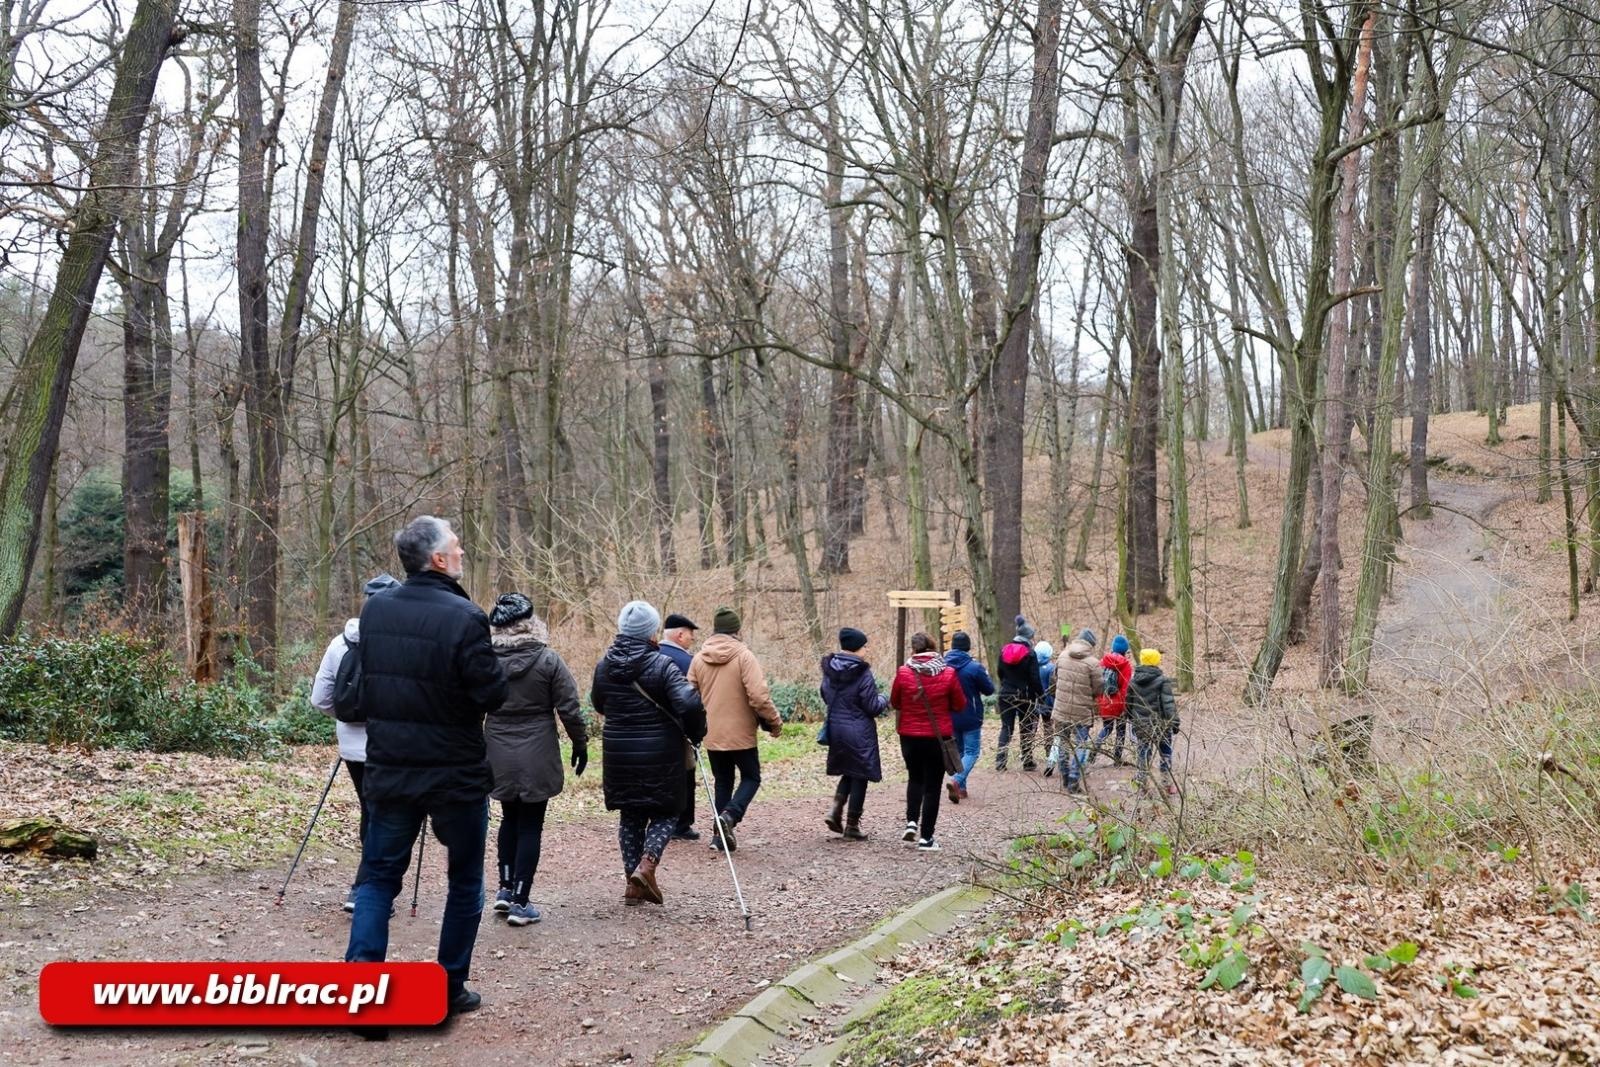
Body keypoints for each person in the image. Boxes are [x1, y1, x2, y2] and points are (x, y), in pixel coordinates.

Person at [345, 516, 508, 1017]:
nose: (463, 554)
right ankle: (447, 987)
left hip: (391, 769)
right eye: (457, 547)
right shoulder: (465, 617)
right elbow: (493, 695)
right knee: (464, 879)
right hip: (454, 773)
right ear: (438, 559)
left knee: (376, 880)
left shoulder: (375, 611)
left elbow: (367, 688)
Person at [591, 601, 707, 905]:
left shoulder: (604, 666)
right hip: (660, 754)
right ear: (651, 632)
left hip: (618, 755)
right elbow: (690, 704)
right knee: (668, 811)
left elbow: (599, 704)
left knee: (630, 815)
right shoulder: (662, 665)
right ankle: (647, 865)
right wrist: (696, 733)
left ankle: (634, 886)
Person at [484, 592, 588, 928]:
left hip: (497, 746)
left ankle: (503, 887)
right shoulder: (547, 660)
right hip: (537, 749)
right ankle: (520, 900)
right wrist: (580, 742)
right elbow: (569, 707)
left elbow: (469, 704)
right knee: (531, 824)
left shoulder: (484, 660)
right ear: (531, 623)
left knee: (508, 818)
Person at [310, 572, 402, 913]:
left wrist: (347, 717)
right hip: (392, 744)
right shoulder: (401, 644)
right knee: (384, 815)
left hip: (352, 748)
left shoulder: (341, 642)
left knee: (372, 811)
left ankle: (368, 886)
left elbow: (319, 698)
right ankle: (367, 889)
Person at [688, 607, 783, 852]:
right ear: (737, 630)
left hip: (712, 733)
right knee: (751, 777)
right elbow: (759, 696)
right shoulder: (744, 656)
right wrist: (774, 722)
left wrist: (694, 726)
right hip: (741, 734)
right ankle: (730, 816)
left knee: (723, 781)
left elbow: (688, 696)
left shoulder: (698, 658)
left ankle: (719, 839)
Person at [890, 632, 963, 851]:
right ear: (933, 648)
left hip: (909, 737)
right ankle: (926, 838)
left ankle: (911, 822)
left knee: (915, 779)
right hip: (937, 738)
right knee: (932, 787)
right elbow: (959, 704)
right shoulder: (948, 673)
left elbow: (895, 702)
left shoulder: (903, 672)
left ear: (913, 650)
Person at [821, 627, 889, 839]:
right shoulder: (863, 673)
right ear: (857, 647)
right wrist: (885, 699)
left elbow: (824, 694)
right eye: (865, 646)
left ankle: (835, 808)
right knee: (860, 775)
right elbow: (872, 706)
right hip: (859, 730)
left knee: (849, 770)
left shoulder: (830, 669)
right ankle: (852, 825)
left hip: (836, 728)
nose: (867, 649)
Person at [658, 613, 703, 842]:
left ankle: (659, 821)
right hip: (680, 729)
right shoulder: (688, 661)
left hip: (653, 730)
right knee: (686, 775)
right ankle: (682, 824)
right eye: (691, 634)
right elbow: (693, 701)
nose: (693, 638)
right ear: (680, 634)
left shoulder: (650, 655)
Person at [942, 631, 994, 802]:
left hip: (949, 716)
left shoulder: (942, 666)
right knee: (972, 752)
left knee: (960, 752)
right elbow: (989, 690)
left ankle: (961, 790)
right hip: (970, 716)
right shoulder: (974, 667)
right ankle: (957, 781)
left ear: (952, 647)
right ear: (968, 647)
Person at [1051, 629, 1102, 795]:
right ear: (1090, 645)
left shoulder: (1062, 656)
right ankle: (1074, 779)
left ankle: (1065, 776)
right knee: (1081, 743)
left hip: (1062, 709)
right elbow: (1099, 688)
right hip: (1082, 710)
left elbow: (1055, 679)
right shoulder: (1093, 663)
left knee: (1063, 742)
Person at [1126, 648, 1180, 796]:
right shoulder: (1163, 681)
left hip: (1141, 725)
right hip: (1161, 725)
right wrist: (1174, 722)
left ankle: (1142, 782)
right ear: (1156, 661)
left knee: (1143, 753)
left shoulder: (1133, 681)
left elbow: (1128, 705)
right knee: (1166, 753)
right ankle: (1167, 784)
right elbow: (1169, 705)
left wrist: (1132, 719)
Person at [994, 615, 1044, 771]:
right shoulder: (1030, 654)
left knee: (1006, 728)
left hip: (1005, 694)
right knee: (1026, 727)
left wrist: (1005, 686)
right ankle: (1027, 761)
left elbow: (1000, 672)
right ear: (1029, 637)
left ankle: (1000, 762)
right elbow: (1035, 679)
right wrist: (1040, 696)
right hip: (1024, 696)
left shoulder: (1004, 650)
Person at [1094, 635, 1134, 765]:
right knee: (1120, 731)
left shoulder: (1102, 662)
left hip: (1105, 701)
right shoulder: (1126, 665)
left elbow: (1098, 683)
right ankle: (1117, 759)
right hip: (1119, 704)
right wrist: (1125, 707)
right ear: (1125, 650)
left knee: (1107, 728)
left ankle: (1093, 751)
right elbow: (1125, 689)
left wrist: (1100, 700)